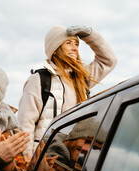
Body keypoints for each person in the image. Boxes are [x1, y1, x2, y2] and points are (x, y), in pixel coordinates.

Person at [18, 25, 117, 156]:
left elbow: (109, 61)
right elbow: (26, 124)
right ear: (55, 48)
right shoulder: (40, 78)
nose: (75, 48)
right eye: (68, 43)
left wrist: (90, 36)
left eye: (76, 43)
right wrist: (27, 160)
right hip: (42, 156)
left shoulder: (81, 78)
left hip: (69, 157)